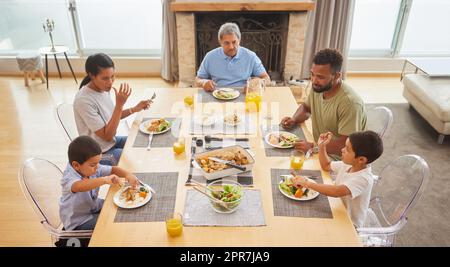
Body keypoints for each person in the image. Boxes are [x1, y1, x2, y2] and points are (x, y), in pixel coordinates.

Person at [280, 48, 366, 158]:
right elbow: (306, 108)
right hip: (319, 150)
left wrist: (313, 147)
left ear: (336, 76)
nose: (314, 80)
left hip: (340, 161)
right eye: (312, 74)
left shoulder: (350, 104)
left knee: (288, 166)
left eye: (320, 77)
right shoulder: (319, 87)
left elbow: (346, 145)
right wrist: (294, 119)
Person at [292, 130, 383, 228]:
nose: (342, 150)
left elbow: (336, 192)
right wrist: (322, 147)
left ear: (361, 160)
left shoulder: (364, 179)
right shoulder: (349, 164)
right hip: (336, 207)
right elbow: (326, 165)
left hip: (349, 224)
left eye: (347, 149)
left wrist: (307, 183)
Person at [74, 53, 152, 165]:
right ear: (91, 75)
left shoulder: (103, 88)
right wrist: (119, 105)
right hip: (98, 154)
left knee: (143, 141)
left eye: (112, 76)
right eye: (105, 78)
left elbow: (112, 116)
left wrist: (134, 109)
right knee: (135, 158)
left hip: (111, 142)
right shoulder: (84, 100)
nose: (110, 82)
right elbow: (107, 135)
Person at [59, 135, 139, 231]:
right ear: (76, 165)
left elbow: (112, 169)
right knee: (111, 223)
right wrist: (104, 180)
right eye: (93, 165)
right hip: (79, 222)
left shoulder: (92, 167)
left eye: (98, 163)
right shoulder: (69, 178)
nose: (97, 167)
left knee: (122, 211)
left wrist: (128, 175)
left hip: (94, 206)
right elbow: (79, 186)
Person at [194, 22, 271, 91]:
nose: (231, 47)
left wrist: (255, 85)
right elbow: (197, 80)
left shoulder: (251, 56)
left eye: (234, 42)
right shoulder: (210, 56)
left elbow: (266, 79)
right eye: (226, 43)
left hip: (243, 94)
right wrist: (204, 83)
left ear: (239, 40)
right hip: (217, 95)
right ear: (220, 42)